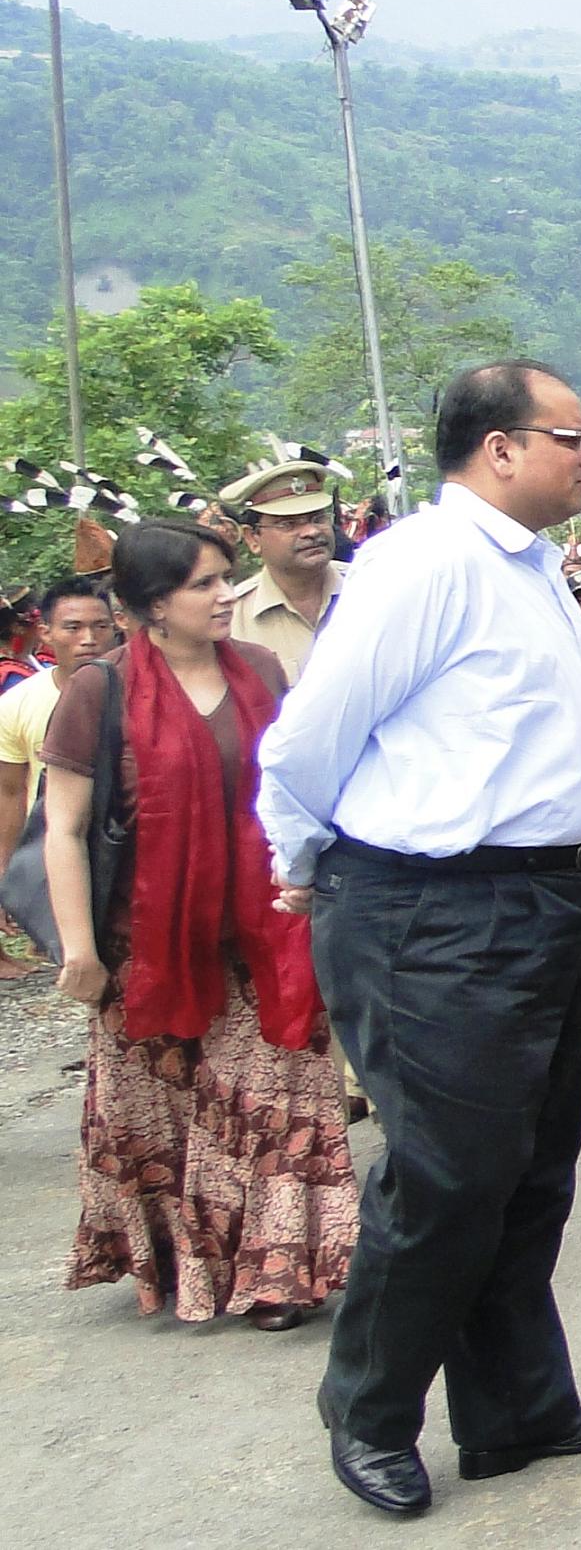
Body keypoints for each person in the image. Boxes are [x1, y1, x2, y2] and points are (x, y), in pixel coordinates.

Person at [258, 360, 581, 1517]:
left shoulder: (529, 571)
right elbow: (309, 740)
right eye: (573, 438)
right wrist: (302, 864)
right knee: (446, 1175)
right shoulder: (423, 566)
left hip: (547, 901)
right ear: (498, 448)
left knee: (528, 1172)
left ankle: (518, 1407)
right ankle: (369, 1410)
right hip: (435, 910)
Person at [46, 521, 351, 1335]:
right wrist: (77, 947)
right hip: (143, 944)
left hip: (264, 931)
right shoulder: (97, 690)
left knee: (276, 1095)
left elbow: (293, 792)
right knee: (168, 1109)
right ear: (152, 606)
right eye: (205, 585)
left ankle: (278, 1271)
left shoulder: (258, 669)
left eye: (225, 579)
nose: (225, 597)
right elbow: (66, 828)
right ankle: (188, 1260)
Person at [0, 576, 121, 855]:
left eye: (100, 627)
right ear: (45, 632)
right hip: (51, 853)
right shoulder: (16, 704)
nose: (88, 640)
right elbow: (11, 793)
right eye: (73, 628)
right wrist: (7, 876)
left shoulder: (144, 692)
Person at [222, 456, 350, 681]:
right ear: (253, 538)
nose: (311, 532)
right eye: (288, 524)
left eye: (318, 518)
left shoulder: (371, 588)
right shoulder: (231, 618)